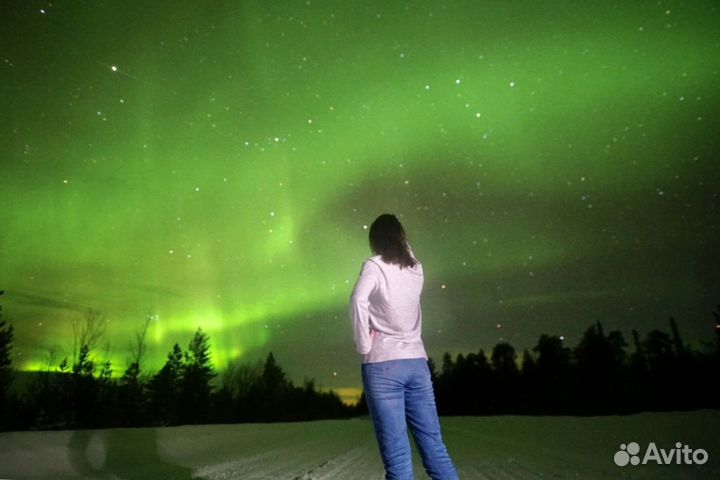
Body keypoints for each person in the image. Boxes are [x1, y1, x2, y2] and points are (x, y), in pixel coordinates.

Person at [349, 213, 459, 480]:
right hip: (417, 363)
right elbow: (404, 255)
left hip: (383, 364)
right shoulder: (415, 269)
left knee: (398, 456)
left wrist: (364, 343)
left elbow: (357, 300)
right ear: (401, 239)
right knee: (434, 447)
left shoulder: (374, 267)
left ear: (375, 241)